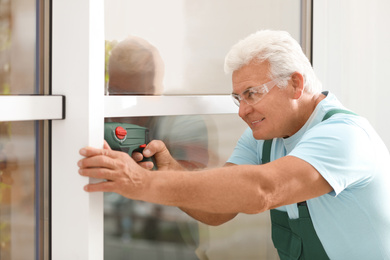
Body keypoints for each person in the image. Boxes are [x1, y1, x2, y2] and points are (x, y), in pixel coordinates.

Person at [78, 30, 390, 259]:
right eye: (238, 98)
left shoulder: (345, 135)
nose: (242, 110)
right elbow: (220, 210)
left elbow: (261, 190)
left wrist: (145, 182)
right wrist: (170, 168)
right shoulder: (264, 139)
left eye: (253, 94)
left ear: (295, 84)